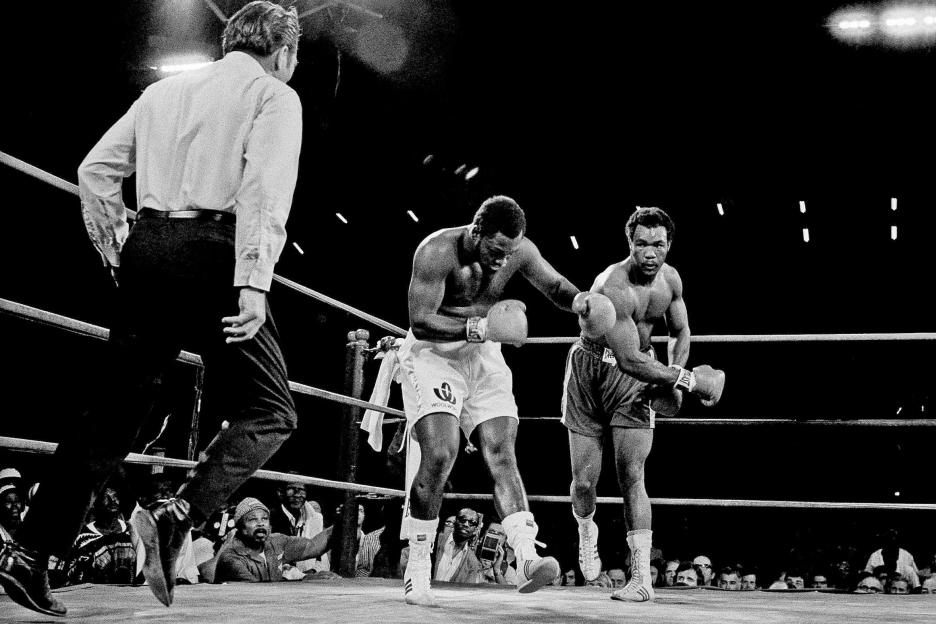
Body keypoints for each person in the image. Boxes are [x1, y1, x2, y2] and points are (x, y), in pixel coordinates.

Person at [0, 2, 304, 616]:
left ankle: (29, 554)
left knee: (113, 412)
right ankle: (180, 513)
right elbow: (264, 188)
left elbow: (96, 170)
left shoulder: (165, 91)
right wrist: (255, 279)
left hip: (150, 249)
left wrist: (116, 249)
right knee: (271, 409)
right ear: (282, 52)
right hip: (217, 254)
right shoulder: (273, 94)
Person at [398, 195, 581, 605]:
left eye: (510, 253)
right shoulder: (436, 251)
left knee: (502, 453)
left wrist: (583, 302)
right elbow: (420, 320)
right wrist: (481, 327)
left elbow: (553, 286)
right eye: (496, 252)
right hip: (433, 355)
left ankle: (527, 556)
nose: (503, 261)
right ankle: (419, 565)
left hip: (483, 355)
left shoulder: (518, 250)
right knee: (441, 454)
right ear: (476, 232)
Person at [563, 207, 725, 603]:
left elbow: (681, 329)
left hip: (637, 377)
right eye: (641, 244)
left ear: (669, 244)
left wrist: (675, 372)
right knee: (584, 481)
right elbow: (629, 358)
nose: (650, 253)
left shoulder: (671, 280)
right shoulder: (612, 286)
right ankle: (587, 530)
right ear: (629, 244)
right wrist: (689, 381)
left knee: (632, 474)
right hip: (593, 371)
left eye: (658, 244)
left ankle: (641, 580)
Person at [214, 498, 333, 583]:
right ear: (240, 527)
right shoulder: (231, 558)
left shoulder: (276, 541)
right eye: (252, 520)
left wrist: (344, 520)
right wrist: (304, 580)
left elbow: (313, 546)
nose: (260, 523)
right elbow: (258, 595)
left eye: (264, 519)